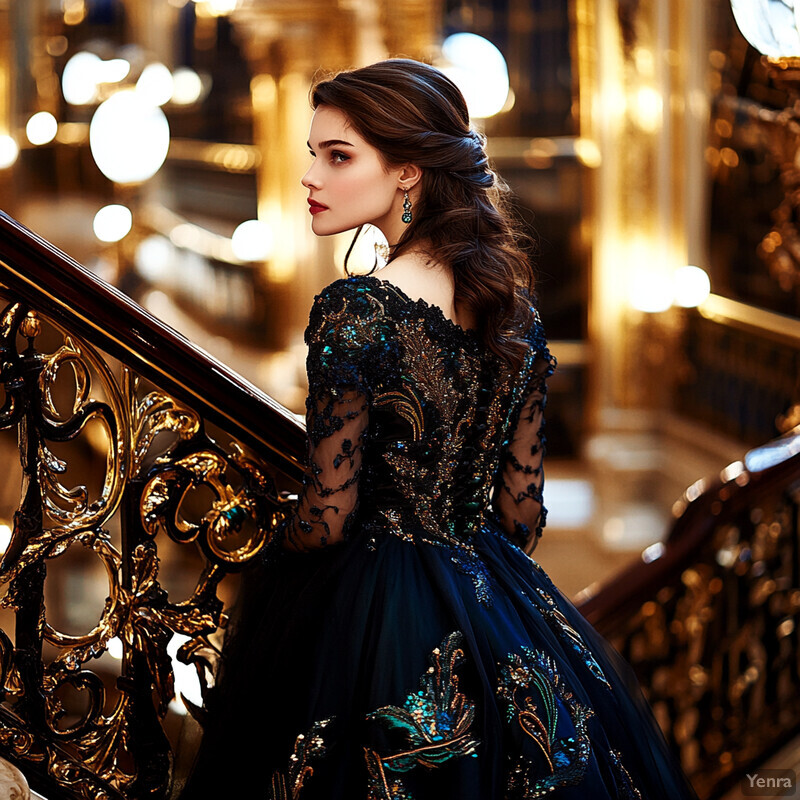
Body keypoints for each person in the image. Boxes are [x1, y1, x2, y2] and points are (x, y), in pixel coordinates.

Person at [180, 59, 697, 799]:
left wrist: (265, 553)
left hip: (370, 606)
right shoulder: (511, 312)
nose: (311, 177)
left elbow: (328, 517)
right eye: (313, 155)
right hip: (497, 600)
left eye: (339, 156)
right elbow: (520, 516)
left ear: (408, 174)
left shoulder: (354, 312)